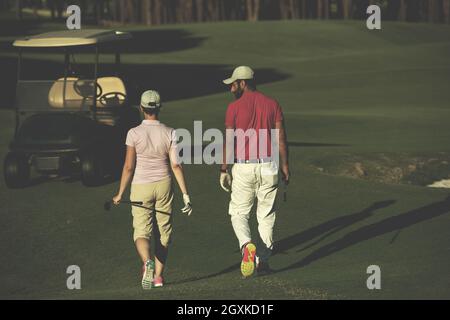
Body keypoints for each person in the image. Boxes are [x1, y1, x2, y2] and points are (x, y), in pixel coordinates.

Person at [112, 90, 192, 289]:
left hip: (141, 186)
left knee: (142, 232)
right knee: (163, 235)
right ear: (159, 108)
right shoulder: (170, 132)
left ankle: (146, 261)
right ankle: (157, 277)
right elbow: (176, 166)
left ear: (141, 108)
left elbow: (129, 166)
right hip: (164, 185)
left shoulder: (133, 133)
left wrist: (120, 193)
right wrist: (185, 195)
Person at [220, 66, 290, 278]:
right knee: (266, 216)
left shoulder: (233, 107)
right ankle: (262, 262)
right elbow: (281, 140)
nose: (231, 87)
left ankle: (246, 246)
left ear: (243, 83)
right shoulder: (272, 103)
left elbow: (229, 141)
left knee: (239, 212)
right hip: (269, 166)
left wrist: (224, 168)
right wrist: (286, 166)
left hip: (243, 167)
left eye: (234, 84)